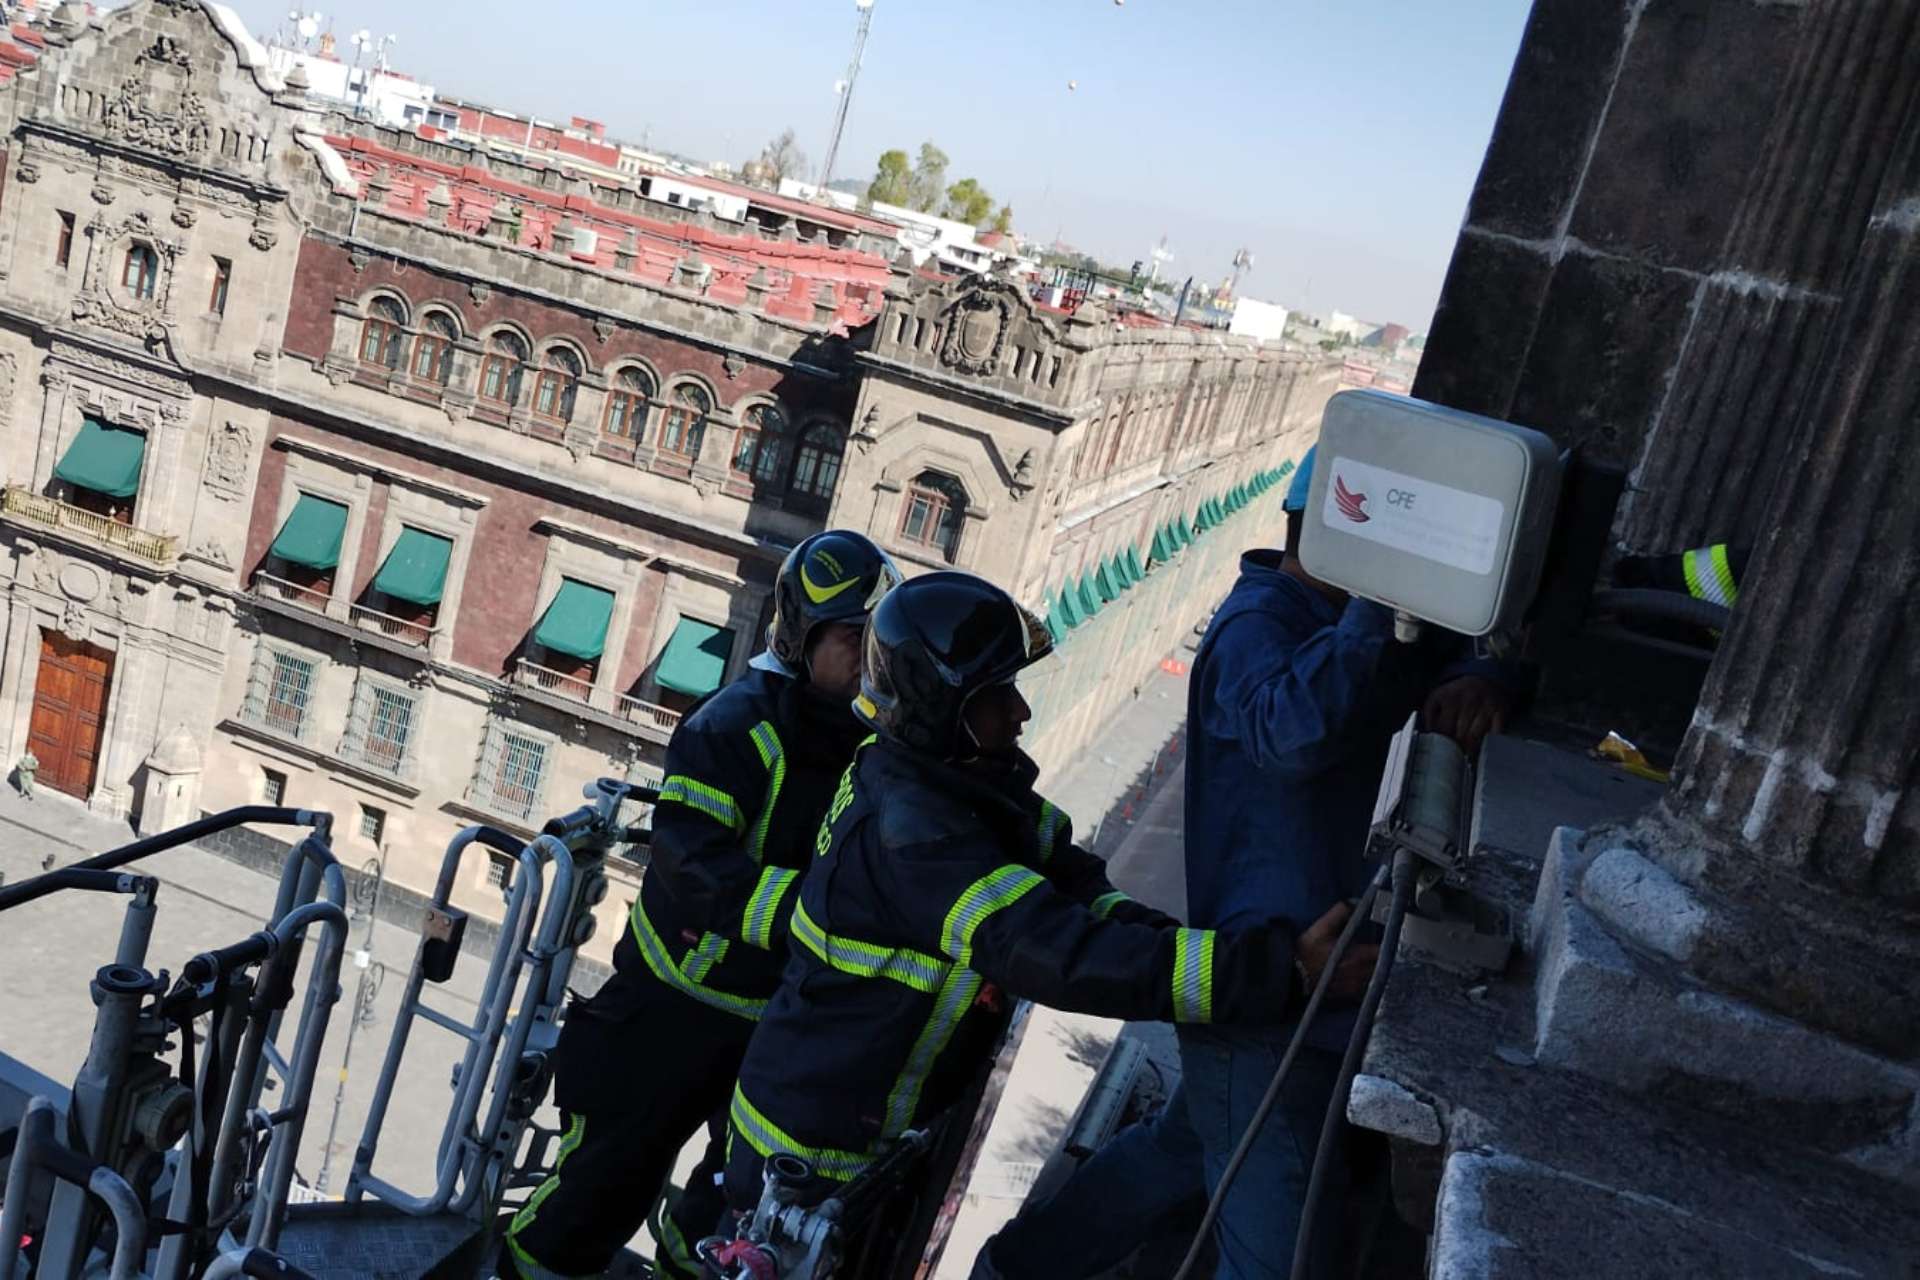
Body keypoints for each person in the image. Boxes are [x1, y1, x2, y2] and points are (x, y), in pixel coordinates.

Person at [976, 444, 1517, 1280]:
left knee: (1180, 1150)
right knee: (1275, 1260)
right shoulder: (1257, 625)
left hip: (1303, 989)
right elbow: (1294, 730)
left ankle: (1020, 1266)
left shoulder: (1369, 625)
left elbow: (1461, 654)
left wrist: (1485, 675)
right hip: (1270, 993)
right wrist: (1376, 600)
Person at [719, 571, 1374, 1253]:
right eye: (998, 694)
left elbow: (1079, 890)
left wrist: (1223, 962)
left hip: (870, 1133)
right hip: (813, 1161)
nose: (1021, 713)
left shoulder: (961, 782)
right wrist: (1282, 970)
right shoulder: (915, 833)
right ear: (943, 709)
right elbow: (1057, 952)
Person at [503, 530, 902, 1280]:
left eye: (876, 638)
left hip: (778, 1023)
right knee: (600, 1188)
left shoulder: (874, 745)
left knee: (731, 1214)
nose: (868, 655)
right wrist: (819, 919)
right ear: (801, 636)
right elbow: (694, 870)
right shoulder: (731, 727)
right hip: (673, 1006)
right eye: (853, 636)